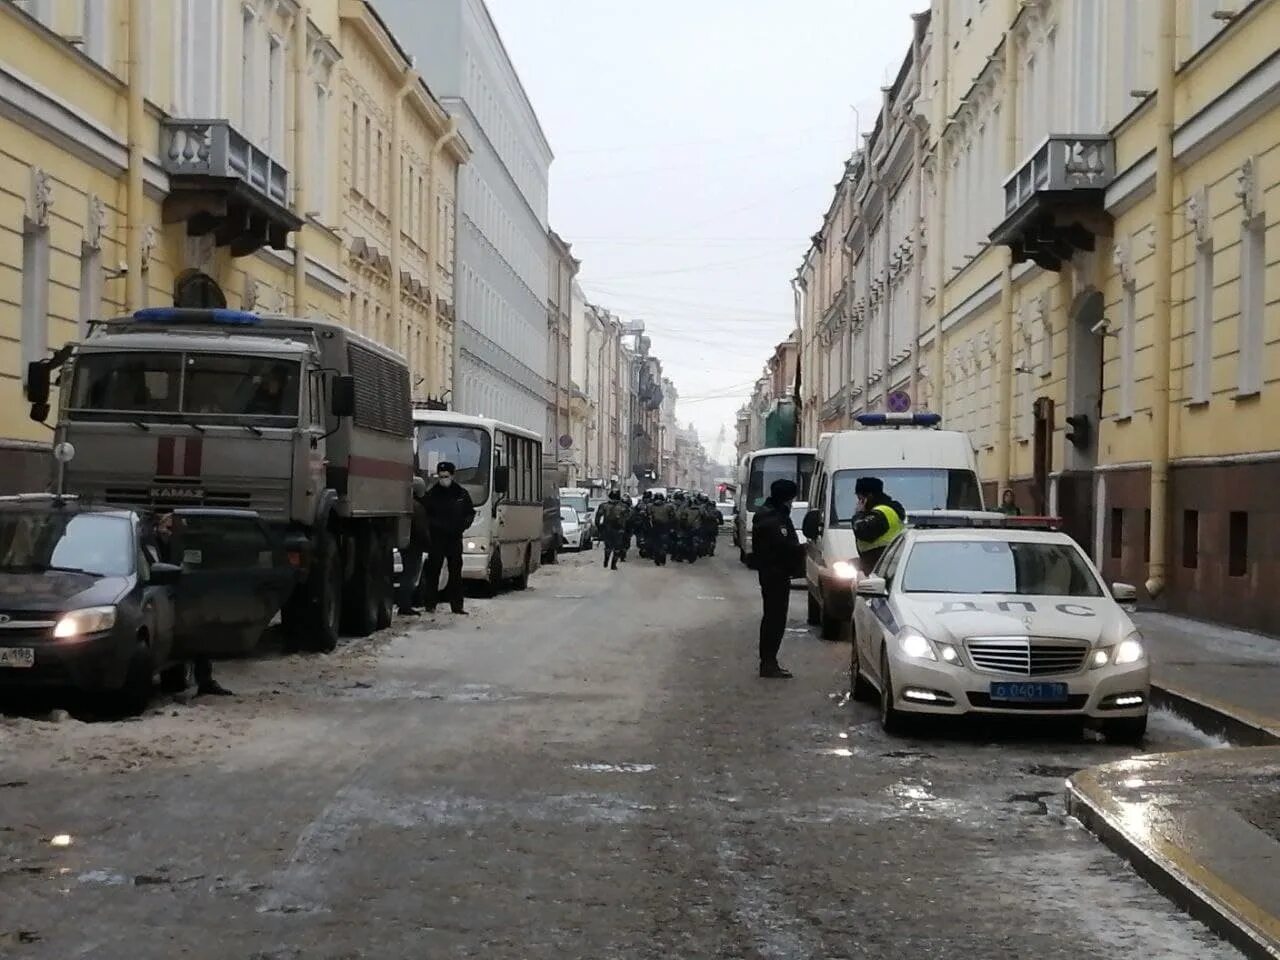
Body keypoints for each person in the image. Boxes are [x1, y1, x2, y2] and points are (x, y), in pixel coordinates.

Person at [148, 512, 232, 697]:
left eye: (174, 529)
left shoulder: (185, 545)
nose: (170, 532)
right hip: (158, 598)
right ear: (158, 526)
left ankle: (203, 681)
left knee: (197, 637)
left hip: (182, 597)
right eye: (167, 528)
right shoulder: (149, 544)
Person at [752, 479, 805, 679]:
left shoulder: (771, 515)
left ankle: (769, 661)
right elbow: (782, 547)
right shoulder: (773, 519)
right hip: (775, 574)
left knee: (774, 618)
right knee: (774, 619)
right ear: (786, 499)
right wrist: (802, 550)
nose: (792, 503)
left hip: (774, 573)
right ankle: (768, 662)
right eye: (791, 499)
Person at [422, 461, 476, 615]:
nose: (443, 479)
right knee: (433, 571)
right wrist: (435, 527)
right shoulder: (433, 494)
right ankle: (430, 603)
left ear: (452, 476)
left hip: (454, 538)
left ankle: (457, 606)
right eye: (441, 476)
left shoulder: (461, 494)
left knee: (455, 573)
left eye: (446, 476)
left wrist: (462, 526)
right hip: (437, 538)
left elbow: (469, 513)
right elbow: (427, 514)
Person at [852, 476, 907, 575]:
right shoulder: (886, 509)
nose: (858, 502)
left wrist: (858, 514)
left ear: (869, 496)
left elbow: (862, 531)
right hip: (885, 563)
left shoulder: (882, 513)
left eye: (860, 499)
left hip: (880, 566)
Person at [397, 476, 431, 616]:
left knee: (407, 574)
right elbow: (421, 529)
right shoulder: (417, 507)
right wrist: (428, 545)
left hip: (405, 544)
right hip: (414, 546)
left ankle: (404, 604)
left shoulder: (405, 504)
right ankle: (405, 605)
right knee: (409, 576)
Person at [598, 491, 630, 570]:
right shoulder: (624, 507)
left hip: (607, 529)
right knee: (617, 548)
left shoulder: (603, 506)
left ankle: (606, 561)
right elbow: (628, 519)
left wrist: (600, 529)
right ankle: (613, 565)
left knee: (608, 547)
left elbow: (597, 519)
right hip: (619, 530)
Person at [649, 493, 674, 566]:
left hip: (663, 527)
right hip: (657, 527)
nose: (658, 501)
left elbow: (672, 517)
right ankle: (658, 559)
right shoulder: (651, 507)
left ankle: (661, 559)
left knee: (661, 544)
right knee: (658, 544)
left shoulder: (667, 507)